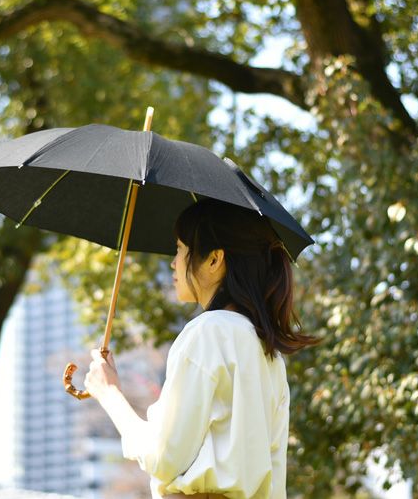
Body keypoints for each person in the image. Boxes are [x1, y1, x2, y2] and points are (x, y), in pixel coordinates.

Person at [84, 198, 320, 499]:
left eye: (181, 249)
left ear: (214, 259)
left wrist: (110, 393)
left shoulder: (208, 333)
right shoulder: (266, 350)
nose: (174, 262)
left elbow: (163, 457)